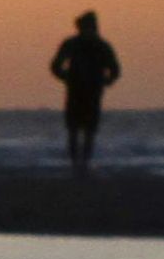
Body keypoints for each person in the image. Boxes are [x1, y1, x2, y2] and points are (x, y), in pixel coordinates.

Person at [49, 11, 122, 175]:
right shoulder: (92, 45)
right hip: (81, 91)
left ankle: (81, 164)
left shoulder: (98, 45)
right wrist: (67, 77)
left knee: (85, 130)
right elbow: (55, 66)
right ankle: (79, 164)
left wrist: (105, 81)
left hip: (88, 92)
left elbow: (115, 70)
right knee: (78, 130)